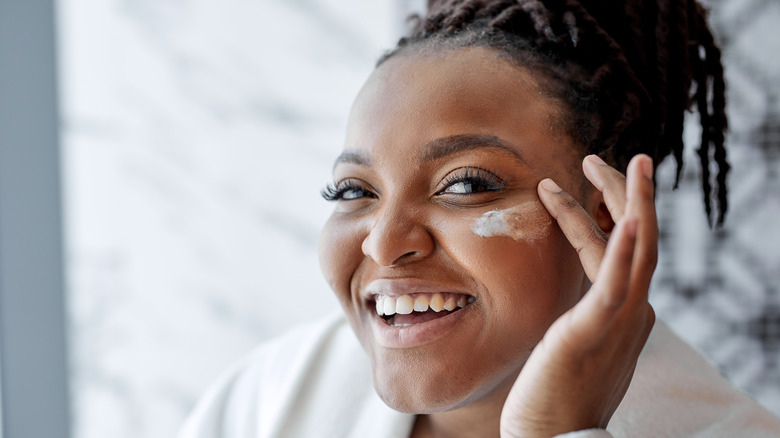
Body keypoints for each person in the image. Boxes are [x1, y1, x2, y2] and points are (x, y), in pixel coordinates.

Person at [179, 0, 780, 436]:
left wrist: (558, 429)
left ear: (604, 212)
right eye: (352, 190)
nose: (385, 244)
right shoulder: (272, 398)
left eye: (464, 185)